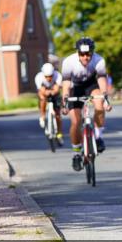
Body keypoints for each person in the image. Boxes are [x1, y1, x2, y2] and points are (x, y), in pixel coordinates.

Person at [60, 37, 112, 171]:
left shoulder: (99, 60)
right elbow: (65, 84)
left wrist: (105, 97)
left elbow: (101, 80)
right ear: (77, 53)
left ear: (92, 52)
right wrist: (65, 100)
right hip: (74, 87)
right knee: (76, 121)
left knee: (99, 103)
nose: (85, 57)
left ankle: (98, 136)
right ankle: (76, 153)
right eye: (82, 54)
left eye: (88, 54)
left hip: (91, 85)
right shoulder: (68, 62)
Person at [34, 62, 63, 145]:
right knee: (42, 99)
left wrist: (52, 91)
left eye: (50, 76)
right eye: (46, 76)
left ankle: (59, 134)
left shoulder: (58, 75)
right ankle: (42, 116)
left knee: (58, 115)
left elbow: (57, 89)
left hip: (55, 93)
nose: (49, 78)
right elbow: (41, 91)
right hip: (44, 93)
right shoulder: (38, 77)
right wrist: (46, 92)